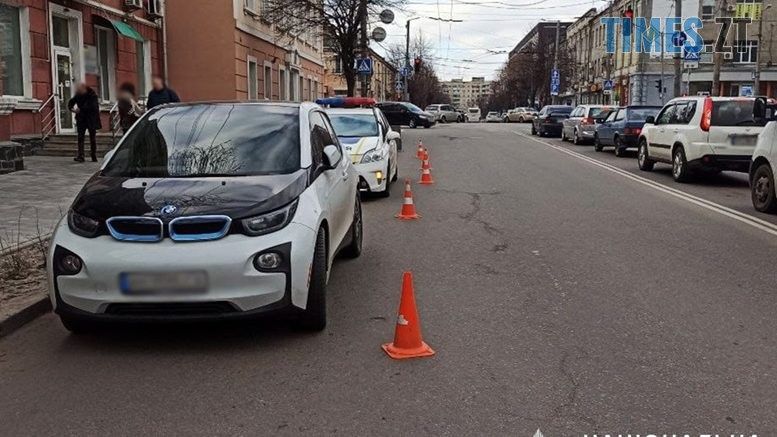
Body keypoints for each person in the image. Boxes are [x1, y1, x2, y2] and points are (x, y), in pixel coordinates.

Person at [68, 83, 102, 162]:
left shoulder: (92, 94)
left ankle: (93, 155)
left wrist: (80, 109)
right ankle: (81, 156)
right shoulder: (78, 94)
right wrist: (72, 109)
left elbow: (93, 106)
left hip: (91, 119)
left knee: (92, 138)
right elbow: (71, 102)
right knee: (80, 137)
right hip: (81, 118)